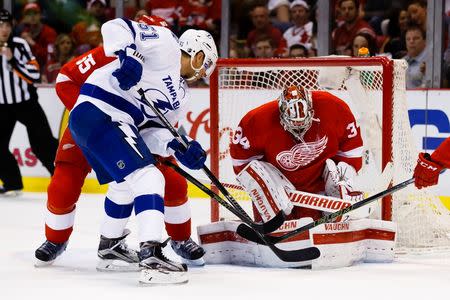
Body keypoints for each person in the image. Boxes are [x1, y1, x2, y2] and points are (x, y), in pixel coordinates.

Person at [35, 16, 207, 272]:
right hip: (97, 114)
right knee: (68, 180)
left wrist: (177, 145)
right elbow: (66, 79)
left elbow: (155, 129)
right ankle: (56, 239)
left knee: (149, 179)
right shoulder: (118, 50)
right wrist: (92, 110)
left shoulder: (177, 89)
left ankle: (117, 243)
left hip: (125, 126)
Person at [230, 85, 365, 223]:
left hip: (319, 192)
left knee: (340, 168)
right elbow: (240, 163)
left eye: (302, 124)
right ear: (281, 113)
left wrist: (343, 181)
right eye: (294, 125)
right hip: (281, 195)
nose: (299, 131)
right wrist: (270, 185)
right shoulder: (256, 120)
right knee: (257, 175)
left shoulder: (334, 108)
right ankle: (273, 219)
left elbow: (352, 154)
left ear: (311, 110)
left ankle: (337, 209)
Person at [0, 9, 58, 196]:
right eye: (1, 25)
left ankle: (62, 179)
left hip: (26, 103)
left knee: (44, 144)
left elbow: (34, 74)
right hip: (2, 106)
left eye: (7, 25)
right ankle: (13, 183)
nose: (4, 29)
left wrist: (13, 62)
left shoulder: (19, 45)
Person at [17, 2, 57, 73]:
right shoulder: (23, 32)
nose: (32, 17)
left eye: (35, 13)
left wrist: (32, 43)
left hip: (46, 70)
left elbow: (50, 57)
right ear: (24, 17)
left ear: (40, 15)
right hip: (28, 69)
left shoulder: (49, 32)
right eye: (28, 14)